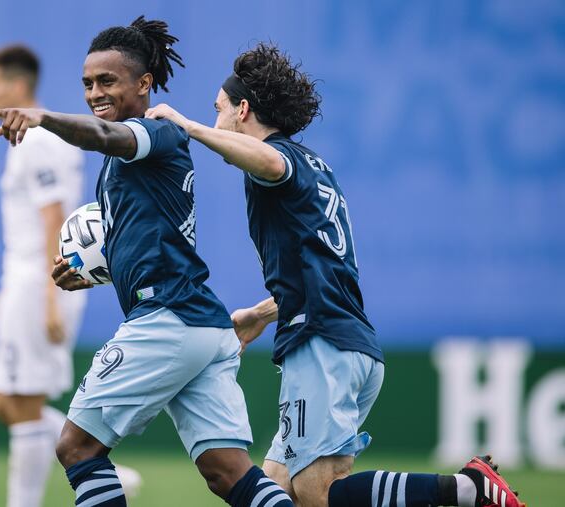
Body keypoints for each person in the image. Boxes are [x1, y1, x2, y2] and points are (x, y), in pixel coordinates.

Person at [145, 43, 526, 507]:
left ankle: (466, 489)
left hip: (323, 348)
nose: (215, 116)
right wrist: (263, 315)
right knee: (274, 490)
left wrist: (189, 127)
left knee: (316, 492)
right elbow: (321, 270)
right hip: (344, 344)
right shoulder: (314, 166)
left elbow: (266, 160)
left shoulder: (278, 161)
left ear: (243, 110)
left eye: (218, 109)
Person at [0, 17, 294, 507]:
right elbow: (148, 236)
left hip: (167, 318)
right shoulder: (123, 166)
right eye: (87, 83)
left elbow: (105, 136)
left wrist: (44, 117)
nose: (94, 92)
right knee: (228, 473)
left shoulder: (155, 132)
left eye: (107, 81)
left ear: (144, 83)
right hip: (202, 324)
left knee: (76, 447)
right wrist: (92, 268)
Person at [0, 45, 141, 507]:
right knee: (6, 402)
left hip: (41, 281)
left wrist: (49, 294)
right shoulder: (26, 141)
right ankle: (117, 473)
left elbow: (55, 219)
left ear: (16, 87)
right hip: (24, 280)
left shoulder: (40, 140)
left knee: (23, 403)